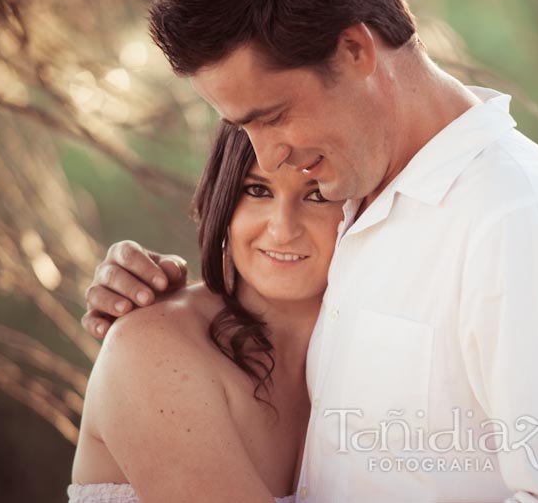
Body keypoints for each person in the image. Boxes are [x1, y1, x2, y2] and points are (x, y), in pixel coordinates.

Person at [83, 0, 538, 500]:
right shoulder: (353, 199)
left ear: (354, 49)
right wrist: (156, 309)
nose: (269, 158)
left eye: (272, 117)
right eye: (243, 131)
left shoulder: (516, 216)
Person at [70, 122, 344, 502]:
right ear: (223, 198)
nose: (282, 229)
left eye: (317, 196)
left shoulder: (368, 360)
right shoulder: (154, 345)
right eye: (257, 190)